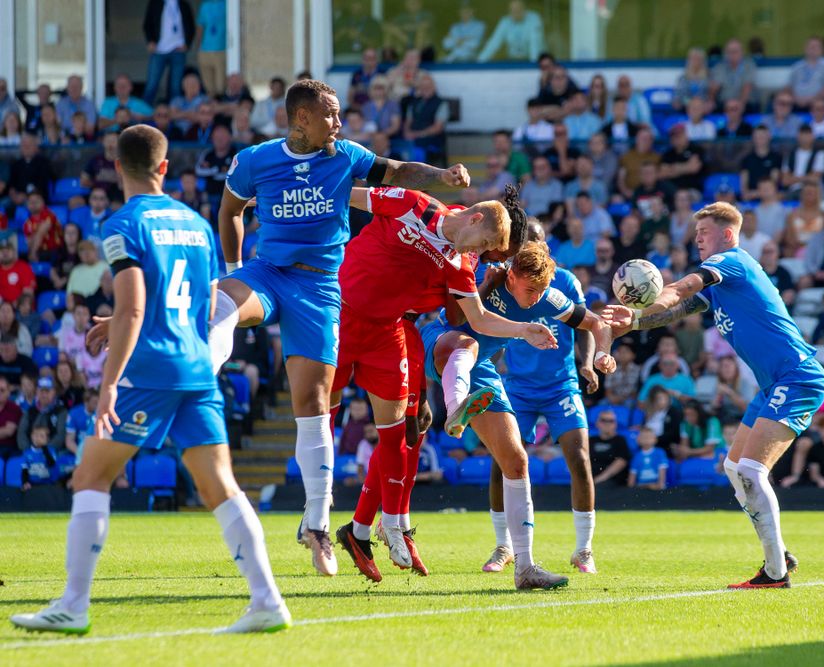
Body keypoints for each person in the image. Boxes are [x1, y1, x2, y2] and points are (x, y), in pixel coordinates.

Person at [11, 124, 289, 635]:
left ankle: (73, 605)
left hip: (151, 371)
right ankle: (267, 599)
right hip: (196, 366)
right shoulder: (197, 223)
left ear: (117, 167)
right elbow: (203, 306)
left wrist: (111, 381)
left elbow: (135, 305)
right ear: (164, 168)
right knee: (220, 487)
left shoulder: (122, 224)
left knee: (89, 477)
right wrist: (116, 321)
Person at [207, 79, 473, 576]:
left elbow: (399, 170)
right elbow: (230, 210)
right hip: (268, 272)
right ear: (301, 118)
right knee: (222, 303)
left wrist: (442, 174)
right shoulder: (254, 161)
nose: (339, 121)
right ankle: (199, 370)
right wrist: (232, 265)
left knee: (313, 407)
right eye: (330, 114)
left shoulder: (345, 155)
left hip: (321, 289)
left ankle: (317, 526)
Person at [603, 202, 824, 588]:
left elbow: (685, 287)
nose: (697, 240)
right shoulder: (723, 284)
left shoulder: (734, 262)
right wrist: (636, 319)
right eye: (695, 235)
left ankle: (775, 572)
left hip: (798, 377)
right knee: (733, 467)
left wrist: (662, 292)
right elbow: (678, 310)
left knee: (753, 471)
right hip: (773, 384)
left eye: (703, 234)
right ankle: (779, 553)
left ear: (726, 234)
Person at [329, 185, 540, 578]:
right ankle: (375, 522)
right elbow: (458, 317)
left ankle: (373, 527)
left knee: (412, 431)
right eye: (495, 249)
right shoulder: (450, 228)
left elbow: (462, 310)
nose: (490, 255)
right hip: (400, 327)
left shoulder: (468, 255)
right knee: (402, 429)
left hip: (407, 329)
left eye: (497, 252)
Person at [421, 241, 613, 589]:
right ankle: (455, 407)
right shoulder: (482, 273)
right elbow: (461, 319)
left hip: (480, 370)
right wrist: (519, 325)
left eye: (542, 289)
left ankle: (524, 568)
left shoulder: (549, 298)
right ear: (511, 276)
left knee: (515, 461)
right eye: (530, 289)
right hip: (441, 345)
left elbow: (596, 323)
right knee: (468, 344)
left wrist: (602, 354)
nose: (536, 298)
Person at [497, 221, 602, 574]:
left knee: (579, 456)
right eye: (528, 244)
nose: (535, 249)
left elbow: (586, 324)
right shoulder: (506, 280)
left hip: (561, 385)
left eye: (539, 243)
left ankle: (584, 549)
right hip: (519, 387)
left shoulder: (565, 282)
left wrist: (586, 364)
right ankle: (503, 545)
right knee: (504, 462)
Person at [142, 0, 195, 105]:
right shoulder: (155, 3)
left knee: (175, 87)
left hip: (178, 50)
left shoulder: (184, 5)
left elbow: (191, 26)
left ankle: (174, 115)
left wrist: (187, 44)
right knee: (152, 85)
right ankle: (144, 113)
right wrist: (150, 41)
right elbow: (147, 24)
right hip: (159, 50)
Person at [402, 73, 449, 165]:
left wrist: (418, 134)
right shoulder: (414, 102)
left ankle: (417, 176)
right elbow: (408, 121)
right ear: (420, 88)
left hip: (431, 139)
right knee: (397, 145)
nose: (426, 88)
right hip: (412, 137)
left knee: (417, 148)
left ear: (434, 87)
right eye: (423, 86)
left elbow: (437, 128)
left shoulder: (441, 103)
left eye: (428, 86)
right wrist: (406, 132)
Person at [477, 0, 545, 63]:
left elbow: (535, 43)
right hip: (513, 60)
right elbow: (494, 42)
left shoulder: (534, 19)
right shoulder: (505, 21)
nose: (516, 12)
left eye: (519, 9)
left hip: (532, 60)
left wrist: (533, 64)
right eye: (513, 10)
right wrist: (479, 63)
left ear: (525, 9)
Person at [786, 37, 824, 111]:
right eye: (811, 46)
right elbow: (788, 87)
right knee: (781, 101)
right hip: (797, 103)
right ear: (805, 49)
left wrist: (812, 99)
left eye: (816, 46)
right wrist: (795, 99)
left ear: (822, 50)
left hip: (820, 102)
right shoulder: (797, 66)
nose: (813, 49)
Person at [710, 39, 758, 110]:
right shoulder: (720, 67)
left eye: (735, 52)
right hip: (724, 103)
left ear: (742, 52)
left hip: (745, 102)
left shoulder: (749, 65)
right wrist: (711, 101)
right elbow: (714, 88)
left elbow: (747, 87)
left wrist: (740, 104)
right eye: (729, 52)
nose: (732, 55)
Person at [589, 409, 631, 486]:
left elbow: (621, 462)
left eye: (611, 421)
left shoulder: (620, 440)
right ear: (597, 423)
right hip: (591, 480)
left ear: (615, 424)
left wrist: (599, 479)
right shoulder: (591, 440)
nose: (607, 423)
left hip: (612, 483)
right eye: (603, 420)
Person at [193, 0, 226, 96]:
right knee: (209, 89)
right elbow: (200, 26)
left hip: (221, 50)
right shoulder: (205, 5)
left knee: (221, 87)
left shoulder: (228, 4)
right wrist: (199, 48)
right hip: (205, 50)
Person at [740, 125, 781, 201]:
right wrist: (748, 194)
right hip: (750, 198)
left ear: (769, 137)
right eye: (757, 137)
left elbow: (774, 183)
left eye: (763, 136)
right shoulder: (746, 159)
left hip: (769, 198)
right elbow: (744, 188)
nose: (760, 139)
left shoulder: (776, 158)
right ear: (753, 138)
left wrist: (757, 194)